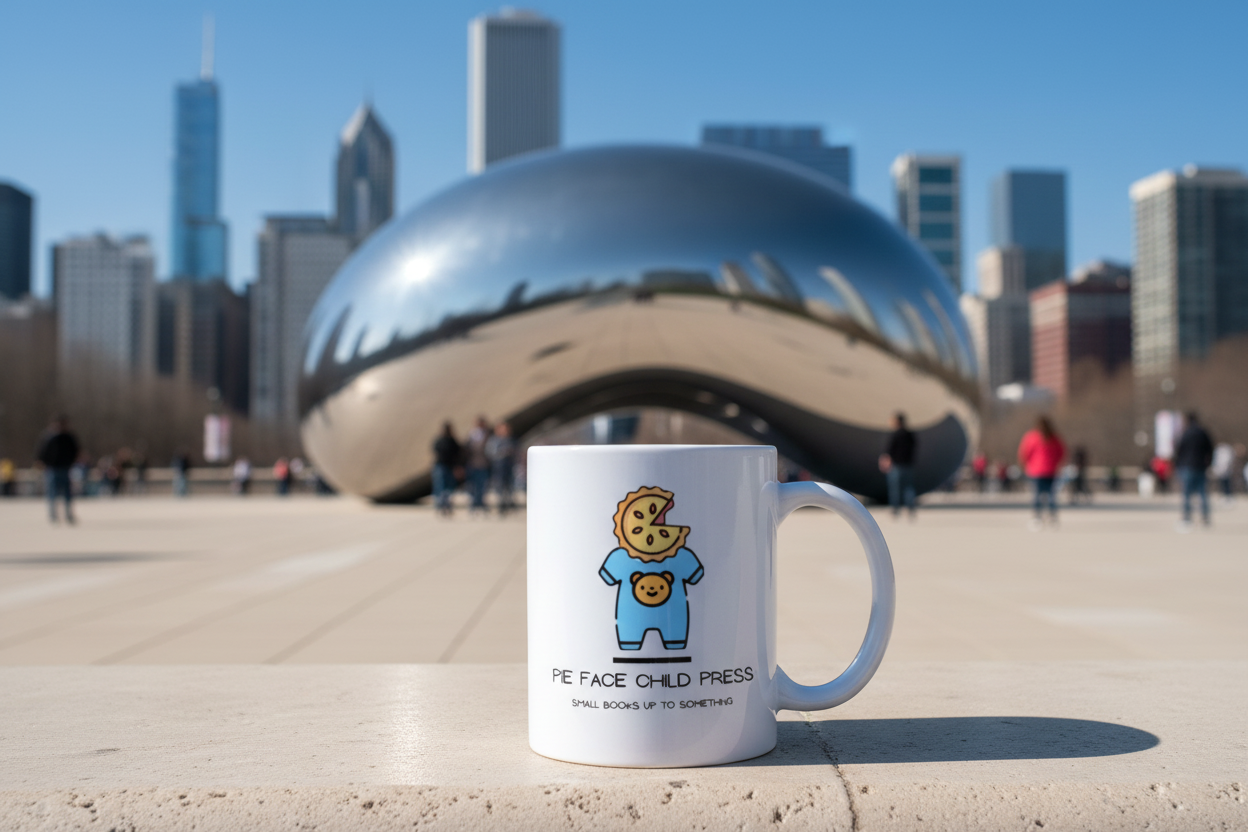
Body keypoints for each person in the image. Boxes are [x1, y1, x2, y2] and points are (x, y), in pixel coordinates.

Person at [1018, 416, 1066, 529]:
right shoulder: (1055, 437)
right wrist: (1056, 463)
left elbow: (1024, 452)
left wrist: (1025, 464)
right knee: (1051, 495)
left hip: (1036, 471)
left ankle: (1037, 518)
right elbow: (1062, 452)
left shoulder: (1032, 437)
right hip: (1051, 470)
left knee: (1037, 495)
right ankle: (1052, 518)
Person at [36, 415, 81, 524]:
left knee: (67, 492)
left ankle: (68, 514)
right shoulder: (49, 437)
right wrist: (42, 462)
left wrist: (72, 462)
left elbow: (76, 450)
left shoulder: (69, 437)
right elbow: (42, 451)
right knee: (52, 492)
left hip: (65, 468)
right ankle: (53, 515)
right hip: (52, 468)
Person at [1174, 412, 1213, 531]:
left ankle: (1187, 518)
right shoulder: (1203, 432)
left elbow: (1179, 450)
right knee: (1202, 493)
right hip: (1200, 466)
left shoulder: (1184, 433)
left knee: (1186, 494)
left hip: (1187, 466)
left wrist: (1178, 464)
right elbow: (1210, 448)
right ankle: (1205, 518)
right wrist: (1209, 463)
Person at [879, 412, 917, 518]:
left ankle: (895, 510)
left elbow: (889, 450)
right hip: (908, 465)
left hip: (896, 466)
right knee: (908, 488)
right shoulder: (910, 435)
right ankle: (911, 508)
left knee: (895, 489)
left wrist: (885, 462)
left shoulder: (895, 434)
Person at [485, 421, 518, 515]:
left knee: (509, 486)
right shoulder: (494, 440)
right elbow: (490, 452)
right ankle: (501, 504)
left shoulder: (511, 440)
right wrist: (501, 453)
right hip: (499, 467)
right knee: (499, 486)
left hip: (509, 466)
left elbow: (517, 451)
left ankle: (508, 503)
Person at [432, 422, 462, 517]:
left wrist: (457, 467)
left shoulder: (452, 441)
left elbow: (458, 454)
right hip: (441, 466)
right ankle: (441, 506)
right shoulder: (439, 440)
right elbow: (435, 452)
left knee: (449, 488)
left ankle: (447, 505)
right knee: (440, 487)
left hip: (450, 467)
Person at [465, 416, 492, 513]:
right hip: (472, 464)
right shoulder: (472, 434)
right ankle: (474, 503)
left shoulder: (488, 434)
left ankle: (481, 503)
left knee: (482, 486)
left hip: (483, 464)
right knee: (472, 486)